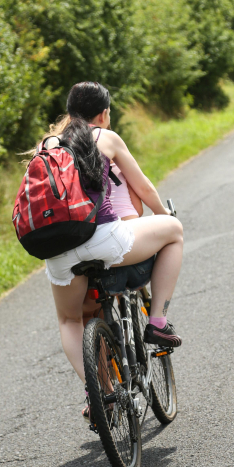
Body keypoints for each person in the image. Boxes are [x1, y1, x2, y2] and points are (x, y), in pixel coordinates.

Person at [43, 81, 184, 385]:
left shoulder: (48, 145)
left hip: (57, 251)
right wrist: (163, 215)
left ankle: (98, 394)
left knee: (69, 320)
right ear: (104, 113)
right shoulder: (105, 137)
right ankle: (157, 321)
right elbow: (143, 187)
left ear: (69, 113)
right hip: (103, 239)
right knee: (174, 231)